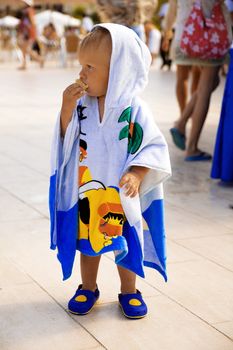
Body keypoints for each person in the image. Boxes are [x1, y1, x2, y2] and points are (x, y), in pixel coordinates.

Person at [49, 24, 171, 319]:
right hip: (89, 193)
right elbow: (65, 139)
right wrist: (66, 107)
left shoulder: (135, 108)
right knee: (88, 245)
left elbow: (152, 145)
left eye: (90, 67)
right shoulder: (83, 106)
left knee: (125, 244)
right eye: (81, 66)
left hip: (121, 196)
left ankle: (130, 290)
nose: (82, 74)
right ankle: (87, 286)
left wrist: (138, 174)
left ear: (119, 70)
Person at [163, 0, 232, 161]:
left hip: (183, 37)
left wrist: (167, 31)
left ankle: (181, 122)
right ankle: (192, 147)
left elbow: (172, 9)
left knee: (207, 83)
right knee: (206, 87)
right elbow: (223, 7)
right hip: (209, 37)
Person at [17, 1, 44, 70]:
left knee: (26, 49)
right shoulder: (27, 10)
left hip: (27, 33)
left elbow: (32, 22)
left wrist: (33, 31)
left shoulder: (28, 10)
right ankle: (25, 63)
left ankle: (39, 59)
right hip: (25, 32)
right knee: (24, 48)